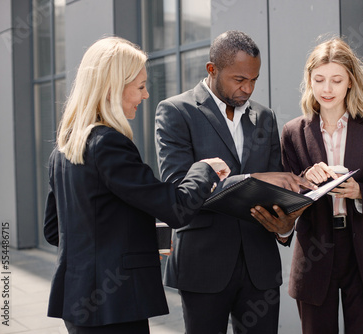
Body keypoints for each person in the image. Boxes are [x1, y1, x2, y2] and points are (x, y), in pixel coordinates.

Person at [43, 36, 230, 334]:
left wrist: (135, 241)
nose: (145, 95)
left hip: (78, 301)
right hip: (114, 304)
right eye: (141, 86)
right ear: (112, 89)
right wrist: (204, 169)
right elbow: (177, 208)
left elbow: (56, 231)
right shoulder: (109, 144)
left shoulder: (63, 149)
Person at [155, 30, 313, 333]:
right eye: (239, 79)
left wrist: (285, 225)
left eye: (254, 80)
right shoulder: (176, 111)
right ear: (212, 70)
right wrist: (252, 178)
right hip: (204, 265)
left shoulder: (265, 117)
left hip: (260, 266)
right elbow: (178, 188)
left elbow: (272, 189)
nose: (248, 88)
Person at [278, 37, 363, 333]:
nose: (327, 89)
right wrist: (303, 181)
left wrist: (359, 191)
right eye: (319, 79)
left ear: (350, 81)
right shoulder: (292, 133)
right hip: (315, 248)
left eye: (336, 80)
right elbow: (284, 197)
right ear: (309, 81)